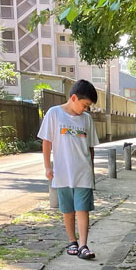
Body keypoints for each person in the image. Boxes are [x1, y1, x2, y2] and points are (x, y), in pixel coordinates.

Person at [38, 78, 100, 260]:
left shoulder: (87, 119)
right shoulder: (54, 114)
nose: (85, 109)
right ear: (74, 98)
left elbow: (90, 147)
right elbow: (47, 142)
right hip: (63, 171)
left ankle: (83, 245)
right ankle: (72, 241)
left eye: (88, 106)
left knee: (83, 208)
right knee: (68, 209)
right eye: (84, 105)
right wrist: (47, 166)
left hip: (83, 171)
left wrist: (91, 169)